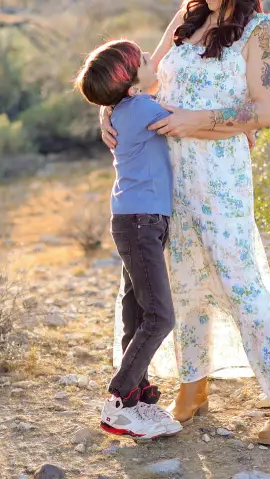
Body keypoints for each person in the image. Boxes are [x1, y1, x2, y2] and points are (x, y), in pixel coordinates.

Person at [102, 0, 270, 445]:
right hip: (165, 178)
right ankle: (193, 386)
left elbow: (265, 112)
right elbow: (146, 76)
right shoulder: (190, 14)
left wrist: (198, 119)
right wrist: (109, 109)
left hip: (220, 180)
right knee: (183, 287)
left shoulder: (261, 32)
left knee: (243, 288)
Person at [74, 39, 183, 440]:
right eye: (145, 59)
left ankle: (136, 401)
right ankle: (119, 401)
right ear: (132, 84)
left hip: (134, 220)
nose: (153, 59)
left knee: (137, 312)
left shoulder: (125, 107)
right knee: (160, 316)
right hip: (140, 223)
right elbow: (184, 120)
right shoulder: (141, 109)